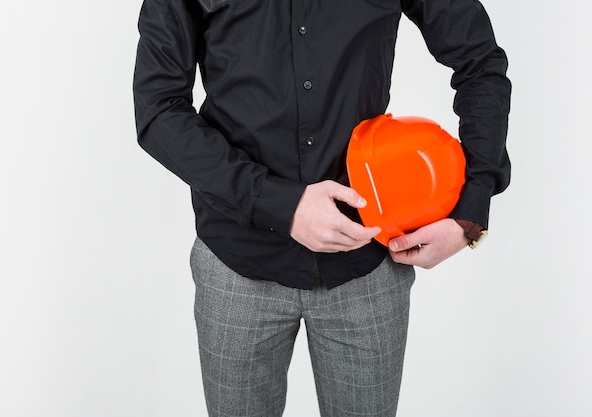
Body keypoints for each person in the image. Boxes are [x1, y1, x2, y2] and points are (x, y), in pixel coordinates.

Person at [133, 0, 511, 416]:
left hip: (367, 264)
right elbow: (159, 107)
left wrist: (468, 215)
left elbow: (480, 60)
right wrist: (281, 204)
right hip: (235, 263)